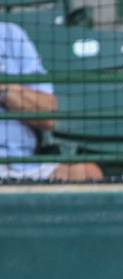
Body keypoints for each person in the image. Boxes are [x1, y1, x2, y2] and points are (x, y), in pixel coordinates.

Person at [0, 22, 102, 181]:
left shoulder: (10, 35)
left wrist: (4, 88)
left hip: (23, 165)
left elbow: (48, 116)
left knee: (88, 172)